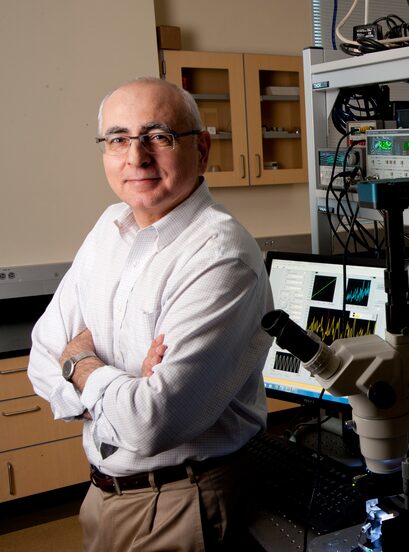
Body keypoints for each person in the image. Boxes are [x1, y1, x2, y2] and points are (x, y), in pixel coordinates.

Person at [27, 77, 273, 551]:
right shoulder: (107, 228)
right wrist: (120, 387)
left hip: (182, 503)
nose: (135, 157)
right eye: (118, 139)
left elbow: (151, 422)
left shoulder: (220, 257)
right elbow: (41, 357)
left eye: (158, 137)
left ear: (201, 149)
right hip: (103, 496)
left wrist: (80, 363)